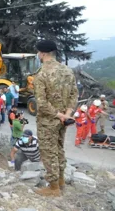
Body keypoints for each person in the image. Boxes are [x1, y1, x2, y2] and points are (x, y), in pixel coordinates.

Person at [33, 39, 78, 197]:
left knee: (48, 151)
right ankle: (61, 181)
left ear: (43, 53)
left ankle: (53, 188)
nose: (38, 54)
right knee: (59, 149)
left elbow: (42, 104)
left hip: (48, 121)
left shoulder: (41, 74)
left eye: (38, 52)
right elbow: (74, 94)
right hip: (63, 121)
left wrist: (59, 115)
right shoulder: (67, 70)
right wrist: (67, 114)